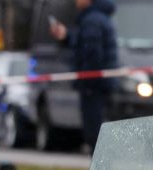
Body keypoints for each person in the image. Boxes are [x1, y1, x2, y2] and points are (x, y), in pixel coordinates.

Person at [49, 0, 117, 152]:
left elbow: (92, 55)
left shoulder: (91, 21)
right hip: (99, 86)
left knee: (94, 134)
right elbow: (85, 45)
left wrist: (86, 83)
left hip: (92, 87)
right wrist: (67, 36)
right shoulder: (96, 18)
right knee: (98, 133)